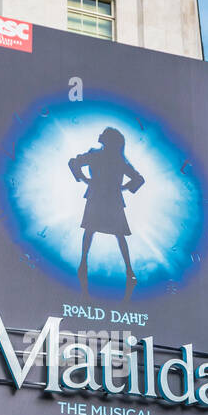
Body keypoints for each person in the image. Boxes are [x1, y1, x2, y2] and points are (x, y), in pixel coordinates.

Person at [69, 127, 145, 298]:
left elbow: (138, 179)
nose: (100, 134)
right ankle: (85, 263)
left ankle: (125, 269)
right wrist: (84, 179)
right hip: (104, 198)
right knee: (96, 231)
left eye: (104, 133)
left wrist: (122, 188)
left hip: (108, 199)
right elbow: (74, 162)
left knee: (104, 232)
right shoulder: (101, 156)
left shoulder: (114, 159)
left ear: (109, 139)